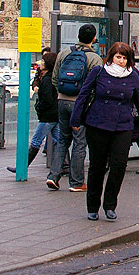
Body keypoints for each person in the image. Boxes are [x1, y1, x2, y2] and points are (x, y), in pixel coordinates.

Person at [70, 42, 139, 221]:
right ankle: (93, 206)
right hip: (98, 124)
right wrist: (75, 119)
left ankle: (110, 205)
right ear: (111, 57)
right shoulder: (99, 71)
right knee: (97, 167)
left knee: (119, 166)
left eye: (124, 58)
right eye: (118, 57)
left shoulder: (133, 75)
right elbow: (83, 94)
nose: (121, 61)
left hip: (122, 125)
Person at [47, 24, 104, 191]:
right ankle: (77, 182)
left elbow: (55, 78)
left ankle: (53, 176)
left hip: (62, 101)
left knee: (63, 139)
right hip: (80, 104)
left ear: (78, 36)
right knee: (79, 142)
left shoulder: (65, 53)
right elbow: (95, 86)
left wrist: (62, 94)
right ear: (93, 39)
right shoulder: (94, 58)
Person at [7, 52, 61, 174]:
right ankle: (64, 167)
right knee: (60, 141)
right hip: (54, 115)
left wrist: (38, 107)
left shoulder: (47, 80)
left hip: (47, 117)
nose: (40, 63)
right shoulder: (53, 77)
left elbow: (46, 100)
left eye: (43, 61)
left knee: (36, 141)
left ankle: (22, 167)